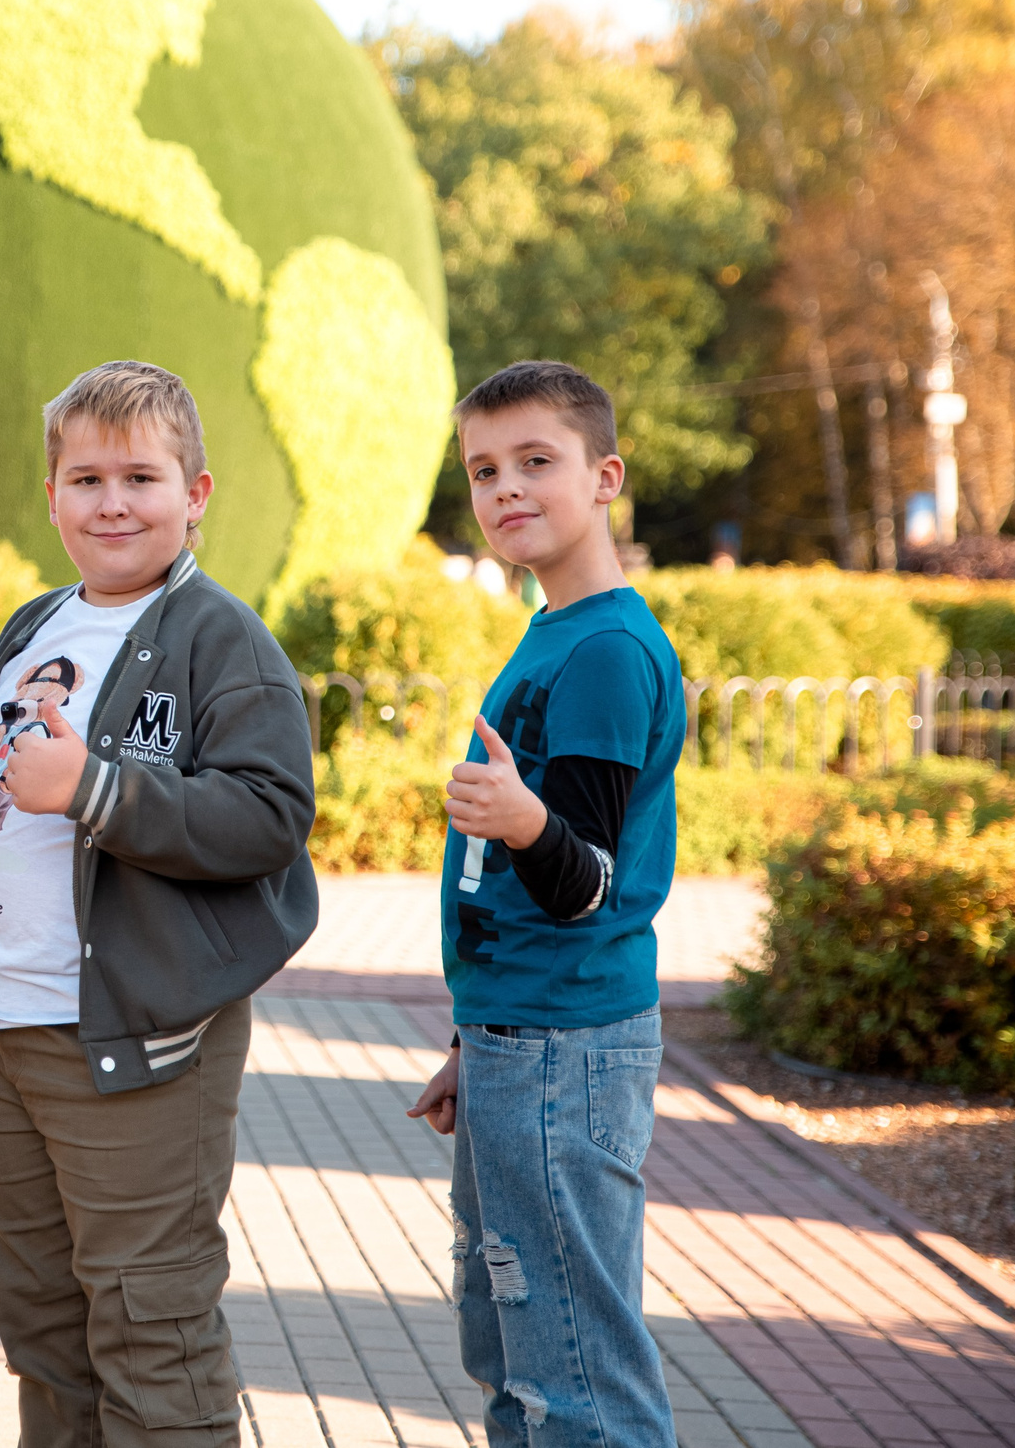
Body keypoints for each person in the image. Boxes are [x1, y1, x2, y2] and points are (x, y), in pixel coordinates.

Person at [0, 360, 319, 1448]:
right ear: (49, 496)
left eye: (140, 475)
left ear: (196, 493)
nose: (111, 500)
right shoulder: (32, 625)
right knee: (42, 1327)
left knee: (151, 1331)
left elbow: (269, 816)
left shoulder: (222, 640)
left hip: (129, 1046)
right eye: (84, 477)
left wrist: (96, 787)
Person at [405, 360, 684, 1447]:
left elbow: (586, 885)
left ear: (604, 475)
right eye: (483, 469)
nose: (505, 488)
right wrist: (474, 1043)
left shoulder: (607, 648)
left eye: (535, 461)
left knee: (577, 1373)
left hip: (566, 1053)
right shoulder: (556, 629)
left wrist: (521, 820)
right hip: (518, 1044)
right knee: (515, 1353)